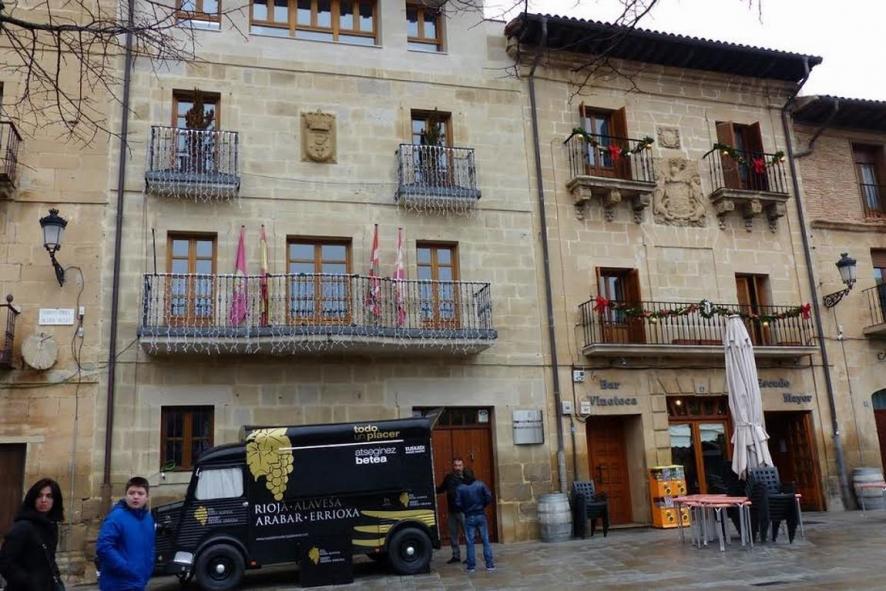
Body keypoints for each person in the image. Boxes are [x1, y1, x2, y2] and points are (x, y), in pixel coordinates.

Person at [0, 478, 65, 591]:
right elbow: (5, 563)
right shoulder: (23, 527)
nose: (44, 500)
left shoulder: (51, 525)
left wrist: (57, 580)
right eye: (39, 496)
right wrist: (29, 582)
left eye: (49, 496)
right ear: (33, 498)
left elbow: (49, 559)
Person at [96, 477, 155, 591]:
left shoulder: (148, 519)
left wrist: (149, 568)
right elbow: (104, 547)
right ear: (126, 495)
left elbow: (150, 546)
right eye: (131, 493)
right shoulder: (115, 517)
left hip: (139, 581)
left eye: (140, 493)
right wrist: (126, 568)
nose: (135, 496)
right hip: (118, 583)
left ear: (147, 497)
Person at [454, 468, 494, 573]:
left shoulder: (460, 488)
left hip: (469, 516)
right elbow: (489, 497)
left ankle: (471, 566)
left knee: (470, 542)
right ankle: (489, 564)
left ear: (463, 476)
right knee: (485, 540)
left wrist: (465, 509)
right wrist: (483, 505)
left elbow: (457, 503)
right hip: (480, 514)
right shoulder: (480, 484)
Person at [435, 457, 466, 564]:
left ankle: (470, 556)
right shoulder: (449, 478)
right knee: (453, 534)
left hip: (463, 511)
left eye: (459, 465)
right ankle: (456, 555)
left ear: (463, 466)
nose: (457, 468)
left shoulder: (467, 478)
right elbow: (441, 489)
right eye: (456, 465)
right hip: (452, 511)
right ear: (453, 466)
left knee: (467, 534)